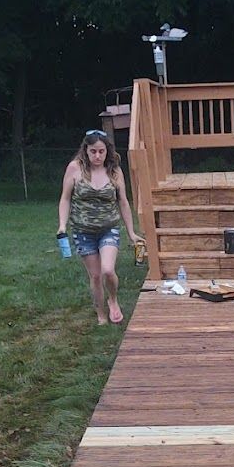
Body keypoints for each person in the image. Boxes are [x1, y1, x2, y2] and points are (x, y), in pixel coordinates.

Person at [58, 129, 145, 325]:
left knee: (107, 270)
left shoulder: (115, 171)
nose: (97, 156)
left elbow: (123, 202)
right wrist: (62, 225)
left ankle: (113, 299)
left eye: (101, 151)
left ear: (107, 151)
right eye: (93, 151)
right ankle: (101, 315)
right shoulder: (75, 168)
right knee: (96, 276)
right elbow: (65, 199)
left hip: (109, 228)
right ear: (85, 151)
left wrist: (131, 232)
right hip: (83, 231)